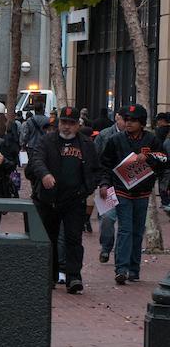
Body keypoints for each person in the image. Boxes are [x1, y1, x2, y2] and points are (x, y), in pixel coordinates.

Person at [28, 107, 101, 294]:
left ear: (78, 124)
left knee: (73, 239)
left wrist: (86, 190)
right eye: (64, 122)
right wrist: (44, 174)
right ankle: (49, 276)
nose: (67, 127)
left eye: (71, 123)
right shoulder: (47, 140)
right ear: (58, 123)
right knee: (49, 239)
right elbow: (36, 160)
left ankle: (74, 277)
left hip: (74, 200)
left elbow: (95, 170)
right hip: (48, 199)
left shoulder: (86, 144)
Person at [98, 104, 169, 285]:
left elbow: (164, 160)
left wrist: (150, 157)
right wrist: (105, 184)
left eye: (133, 120)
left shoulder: (152, 140)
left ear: (142, 123)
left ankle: (133, 269)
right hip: (122, 190)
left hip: (143, 192)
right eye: (127, 120)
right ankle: (121, 269)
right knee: (125, 229)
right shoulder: (115, 140)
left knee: (137, 231)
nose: (129, 123)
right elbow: (105, 165)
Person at [95, 110, 126, 263]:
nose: (126, 123)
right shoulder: (105, 135)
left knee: (125, 225)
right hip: (108, 184)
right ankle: (106, 248)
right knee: (107, 218)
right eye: (123, 119)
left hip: (128, 186)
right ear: (116, 118)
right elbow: (96, 158)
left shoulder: (137, 137)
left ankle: (122, 256)